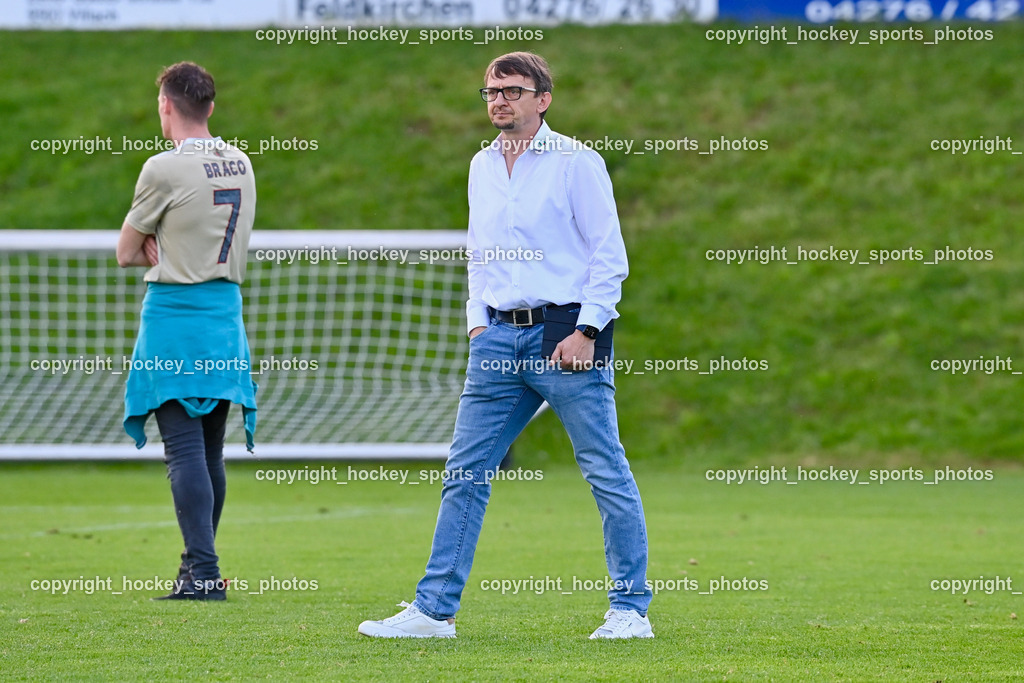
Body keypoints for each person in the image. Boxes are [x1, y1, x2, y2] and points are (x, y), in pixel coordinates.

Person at [358, 52, 653, 639]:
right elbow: (479, 252)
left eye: (513, 90)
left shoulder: (577, 162)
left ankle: (630, 610)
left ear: (542, 99)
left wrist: (588, 330)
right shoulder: (481, 165)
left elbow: (608, 256)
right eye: (491, 90)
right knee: (464, 471)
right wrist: (477, 323)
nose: (499, 100)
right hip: (496, 338)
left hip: (564, 334)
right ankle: (434, 612)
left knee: (603, 468)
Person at [116, 61, 257, 601]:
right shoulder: (241, 161)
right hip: (224, 314)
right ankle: (198, 569)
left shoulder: (163, 167)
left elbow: (126, 252)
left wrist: (157, 245)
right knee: (209, 449)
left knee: (182, 448)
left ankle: (201, 573)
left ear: (166, 105)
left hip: (175, 312)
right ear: (212, 108)